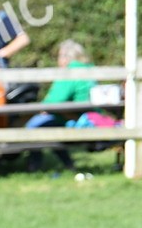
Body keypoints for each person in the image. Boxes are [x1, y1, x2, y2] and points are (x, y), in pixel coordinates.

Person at [26, 39, 97, 172]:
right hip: (87, 117)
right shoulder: (88, 69)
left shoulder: (70, 72)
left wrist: (43, 107)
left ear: (66, 58)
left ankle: (33, 167)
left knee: (35, 125)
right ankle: (69, 165)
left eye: (59, 56)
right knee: (48, 126)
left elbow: (54, 101)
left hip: (75, 120)